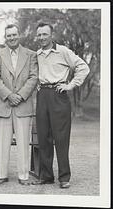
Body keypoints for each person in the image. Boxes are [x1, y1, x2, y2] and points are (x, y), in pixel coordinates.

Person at [32, 22, 90, 188]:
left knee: (61, 138)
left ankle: (64, 177)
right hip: (42, 95)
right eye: (39, 35)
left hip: (59, 94)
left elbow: (83, 68)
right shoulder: (37, 54)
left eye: (45, 34)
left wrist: (70, 85)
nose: (42, 37)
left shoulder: (63, 51)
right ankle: (46, 176)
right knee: (43, 137)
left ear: (52, 35)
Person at [0, 24, 38, 185]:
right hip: (3, 105)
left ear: (19, 35)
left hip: (23, 106)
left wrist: (21, 96)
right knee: (3, 142)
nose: (12, 38)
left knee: (24, 142)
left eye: (14, 35)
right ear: (5, 37)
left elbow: (33, 77)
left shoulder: (31, 55)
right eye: (8, 35)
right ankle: (1, 175)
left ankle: (23, 176)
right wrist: (9, 95)